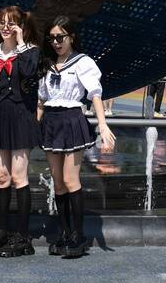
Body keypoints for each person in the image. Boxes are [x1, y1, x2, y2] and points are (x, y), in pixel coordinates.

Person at [39, 17, 115, 258]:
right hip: (51, 121)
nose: (56, 42)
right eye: (51, 38)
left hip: (72, 119)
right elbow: (41, 99)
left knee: (71, 180)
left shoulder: (83, 62)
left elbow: (94, 94)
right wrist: (34, 124)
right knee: (58, 182)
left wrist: (102, 124)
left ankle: (78, 236)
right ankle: (63, 232)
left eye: (60, 37)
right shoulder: (48, 64)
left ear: (71, 37)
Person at [0, 5, 41, 257]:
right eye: (2, 23)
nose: (5, 27)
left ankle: (23, 237)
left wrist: (20, 42)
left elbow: (28, 73)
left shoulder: (31, 52)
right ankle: (3, 231)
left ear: (21, 26)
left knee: (19, 176)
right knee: (2, 177)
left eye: (11, 23)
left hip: (20, 118)